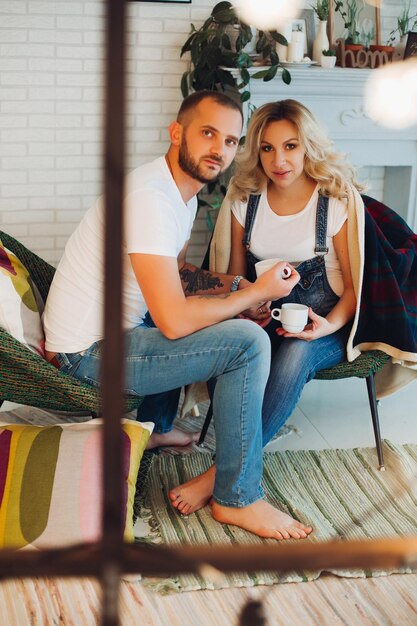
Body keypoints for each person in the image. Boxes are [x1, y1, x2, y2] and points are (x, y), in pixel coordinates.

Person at [43, 91, 312, 541]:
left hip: (115, 335)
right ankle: (237, 498)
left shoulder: (179, 197)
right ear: (176, 133)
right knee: (248, 342)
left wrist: (240, 288)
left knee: (219, 318)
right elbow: (173, 321)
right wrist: (259, 293)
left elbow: (179, 275)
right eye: (208, 133)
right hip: (88, 355)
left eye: (230, 140)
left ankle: (158, 428)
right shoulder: (151, 200)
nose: (219, 150)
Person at [211, 99, 362, 445]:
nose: (278, 161)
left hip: (327, 326)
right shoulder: (244, 203)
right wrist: (247, 305)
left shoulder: (335, 203)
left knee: (296, 353)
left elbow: (355, 289)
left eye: (290, 146)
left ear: (307, 146)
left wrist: (328, 325)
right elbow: (235, 282)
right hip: (265, 322)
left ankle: (224, 469)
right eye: (267, 148)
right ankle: (234, 455)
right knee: (221, 341)